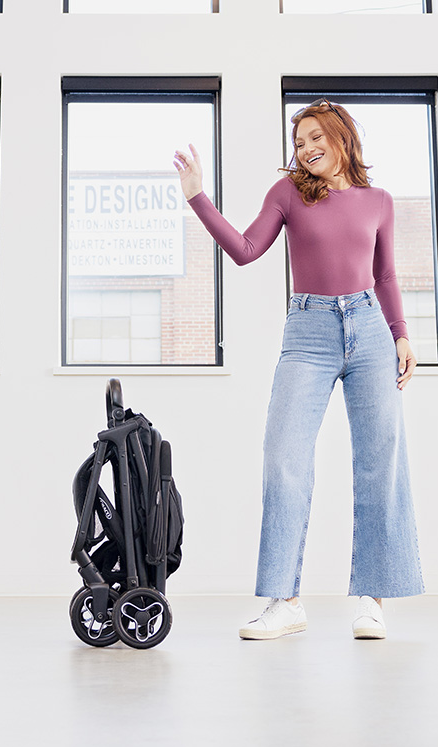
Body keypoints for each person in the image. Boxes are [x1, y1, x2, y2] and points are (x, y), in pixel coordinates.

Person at [173, 99, 424, 641]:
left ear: (341, 138)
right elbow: (244, 250)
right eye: (299, 142)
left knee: (380, 462)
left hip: (371, 329)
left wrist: (401, 333)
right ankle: (284, 601)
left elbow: (384, 276)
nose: (306, 149)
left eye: (315, 138)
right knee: (285, 459)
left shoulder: (378, 201)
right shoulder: (287, 194)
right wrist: (198, 196)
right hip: (308, 332)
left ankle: (372, 603)